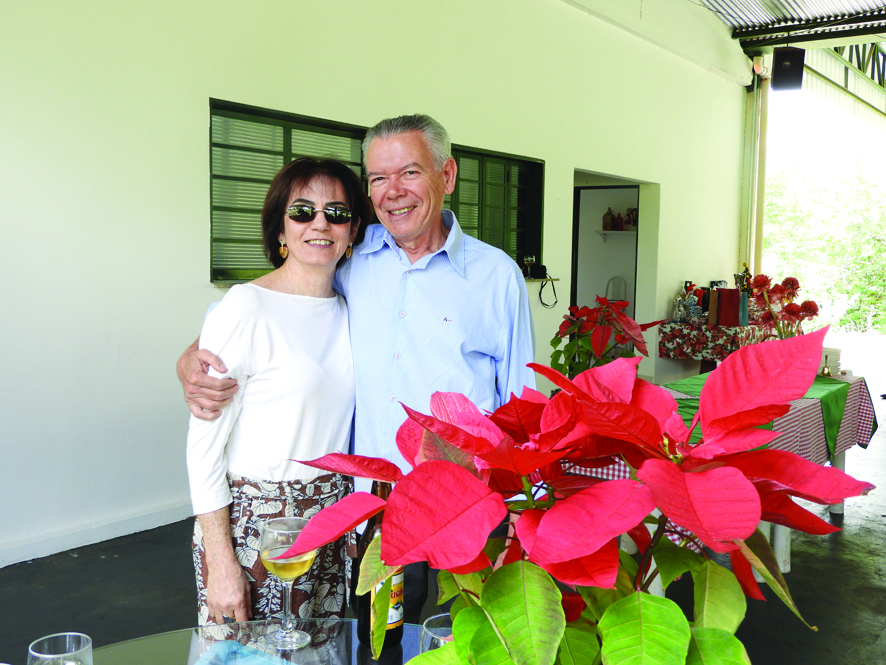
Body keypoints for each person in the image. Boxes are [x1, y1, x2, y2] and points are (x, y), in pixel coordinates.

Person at [179, 114, 536, 623]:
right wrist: (191, 357)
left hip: (467, 512)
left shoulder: (496, 276)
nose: (393, 192)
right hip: (372, 516)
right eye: (377, 179)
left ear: (447, 176)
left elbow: (523, 407)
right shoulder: (354, 262)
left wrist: (524, 523)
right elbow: (264, 310)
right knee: (377, 648)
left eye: (410, 173)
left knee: (464, 646)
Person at [186, 156, 371, 626]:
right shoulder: (246, 306)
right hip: (256, 531)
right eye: (303, 211)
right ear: (280, 231)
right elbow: (203, 447)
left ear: (352, 232)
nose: (321, 224)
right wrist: (221, 561)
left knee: (320, 656)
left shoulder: (353, 311)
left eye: (338, 212)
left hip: (332, 523)